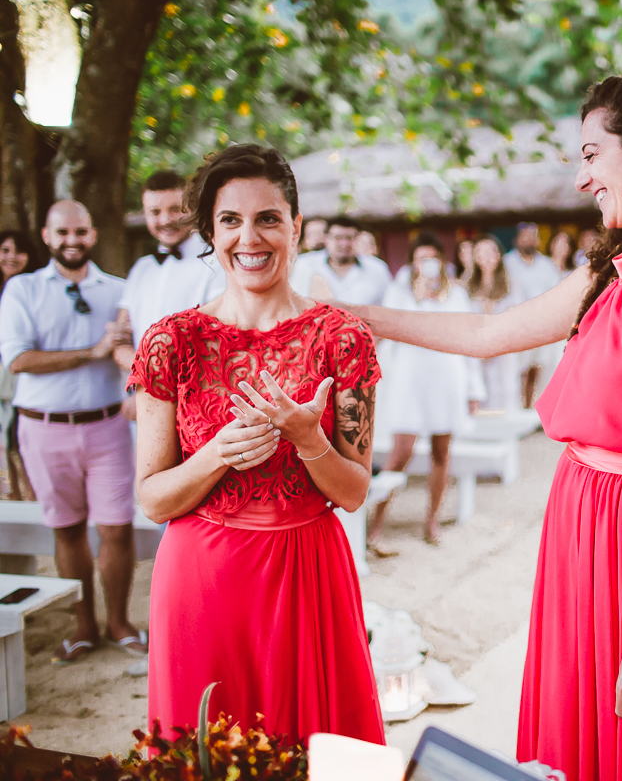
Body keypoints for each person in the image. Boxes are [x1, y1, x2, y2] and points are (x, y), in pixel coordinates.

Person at [345, 70, 622, 781]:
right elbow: (489, 331)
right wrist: (354, 316)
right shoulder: (620, 266)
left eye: (591, 155)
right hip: (585, 527)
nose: (581, 179)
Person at [129, 144, 384, 745]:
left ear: (296, 227)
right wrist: (218, 452)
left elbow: (353, 494)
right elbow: (153, 501)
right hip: (201, 582)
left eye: (268, 218)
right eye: (231, 220)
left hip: (306, 575)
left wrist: (308, 439)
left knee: (310, 749)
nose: (251, 237)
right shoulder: (171, 342)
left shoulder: (343, 338)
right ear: (210, 234)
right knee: (210, 750)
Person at [0, 200, 143, 662]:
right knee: (67, 531)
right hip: (43, 430)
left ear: (93, 234)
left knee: (118, 529)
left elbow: (138, 352)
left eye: (80, 231)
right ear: (46, 235)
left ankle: (119, 622)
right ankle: (84, 625)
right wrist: (93, 350)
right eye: (62, 232)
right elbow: (19, 360)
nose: (72, 240)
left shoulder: (120, 291)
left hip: (108, 427)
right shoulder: (22, 289)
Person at [371, 238, 483, 546]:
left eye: (432, 258)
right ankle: (376, 521)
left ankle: (431, 520)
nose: (427, 264)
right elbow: (389, 331)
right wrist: (418, 298)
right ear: (412, 263)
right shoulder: (399, 291)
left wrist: (474, 389)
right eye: (421, 259)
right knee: (400, 452)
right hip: (410, 379)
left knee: (441, 452)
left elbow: (468, 338)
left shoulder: (456, 293)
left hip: (447, 377)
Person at [113, 171, 227, 392]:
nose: (165, 220)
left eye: (175, 210)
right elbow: (121, 339)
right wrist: (142, 386)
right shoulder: (141, 269)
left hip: (194, 394)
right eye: (155, 212)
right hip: (142, 395)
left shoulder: (216, 264)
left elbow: (216, 340)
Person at [0, 230, 45, 501]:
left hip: (24, 378)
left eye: (18, 251)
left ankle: (31, 497)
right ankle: (13, 494)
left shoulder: (35, 289)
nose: (11, 257)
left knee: (21, 440)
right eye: (5, 250)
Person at [504, 222, 564, 407]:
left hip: (542, 323)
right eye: (525, 236)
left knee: (537, 366)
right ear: (517, 239)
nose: (529, 240)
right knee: (517, 367)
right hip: (516, 323)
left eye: (533, 236)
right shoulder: (507, 263)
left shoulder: (546, 265)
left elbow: (556, 292)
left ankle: (530, 406)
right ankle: (516, 405)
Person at [467, 235, 524, 412]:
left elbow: (517, 316)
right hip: (476, 348)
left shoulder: (511, 283)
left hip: (503, 348)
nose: (486, 256)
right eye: (481, 252)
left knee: (504, 390)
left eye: (491, 251)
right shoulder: (468, 284)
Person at [291, 215, 390, 306]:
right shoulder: (304, 265)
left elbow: (388, 305)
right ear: (326, 238)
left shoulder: (377, 268)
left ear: (357, 239)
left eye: (349, 238)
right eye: (338, 238)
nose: (344, 244)